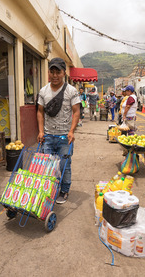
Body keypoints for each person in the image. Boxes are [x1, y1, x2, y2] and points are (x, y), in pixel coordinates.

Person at [37, 57, 80, 204]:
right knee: (48, 166)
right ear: (49, 72)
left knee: (64, 165)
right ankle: (51, 189)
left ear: (64, 73)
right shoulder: (43, 91)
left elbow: (76, 111)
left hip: (64, 137)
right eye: (52, 72)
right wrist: (41, 131)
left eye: (58, 72)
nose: (55, 75)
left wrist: (72, 131)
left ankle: (64, 190)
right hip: (48, 136)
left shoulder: (71, 91)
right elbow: (39, 112)